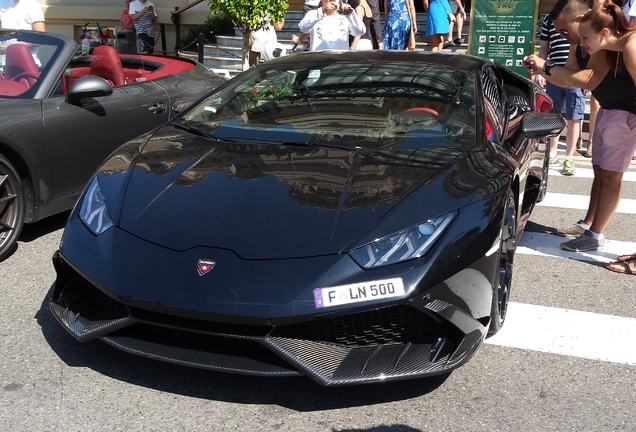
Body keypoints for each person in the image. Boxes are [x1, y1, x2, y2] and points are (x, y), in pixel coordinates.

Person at [523, 0, 636, 257]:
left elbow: (587, 78)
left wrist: (548, 68)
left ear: (586, 21)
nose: (567, 38)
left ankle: (595, 235)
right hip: (611, 109)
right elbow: (570, 74)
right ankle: (589, 227)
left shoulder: (628, 44)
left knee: (610, 176)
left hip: (626, 114)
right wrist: (548, 68)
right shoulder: (592, 41)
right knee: (601, 172)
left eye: (568, 32)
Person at [534, 15, 586, 176]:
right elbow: (544, 47)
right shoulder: (550, 18)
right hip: (553, 72)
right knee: (554, 115)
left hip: (576, 73)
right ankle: (553, 152)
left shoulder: (581, 14)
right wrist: (541, 69)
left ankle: (569, 157)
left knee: (574, 117)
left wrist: (587, 76)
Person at [298, 0, 365, 51]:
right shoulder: (313, 14)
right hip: (319, 62)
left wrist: (349, 13)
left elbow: (360, 31)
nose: (330, 3)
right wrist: (322, 11)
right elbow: (303, 28)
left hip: (339, 63)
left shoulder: (345, 17)